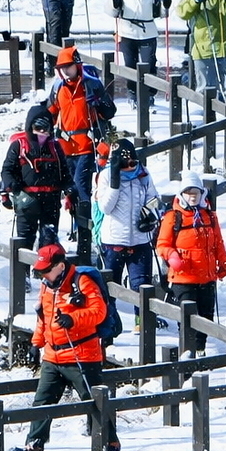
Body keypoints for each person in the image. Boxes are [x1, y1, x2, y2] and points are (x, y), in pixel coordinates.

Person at [9, 243, 120, 451]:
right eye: (40, 271)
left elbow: (99, 312)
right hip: (53, 355)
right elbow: (43, 318)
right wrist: (36, 343)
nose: (42, 275)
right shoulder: (46, 286)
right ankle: (34, 449)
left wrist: (73, 319)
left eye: (46, 270)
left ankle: (109, 444)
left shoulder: (82, 281)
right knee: (42, 402)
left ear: (60, 266)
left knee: (93, 401)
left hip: (82, 354)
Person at [47, 46, 116, 264]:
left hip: (87, 146)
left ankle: (86, 239)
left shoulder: (91, 85)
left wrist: (98, 101)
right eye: (62, 68)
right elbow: (50, 113)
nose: (65, 71)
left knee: (81, 188)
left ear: (77, 65)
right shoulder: (58, 87)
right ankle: (77, 228)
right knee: (70, 192)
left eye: (68, 66)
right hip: (64, 148)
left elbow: (110, 111)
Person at [155, 170, 226, 355]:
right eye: (188, 193)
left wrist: (223, 262)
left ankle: (200, 351)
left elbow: (218, 242)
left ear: (202, 193)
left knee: (206, 317)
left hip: (207, 276)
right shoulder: (173, 217)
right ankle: (187, 353)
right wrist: (172, 256)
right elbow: (162, 244)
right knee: (187, 317)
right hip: (183, 277)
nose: (192, 196)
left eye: (195, 192)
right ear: (182, 194)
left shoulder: (210, 216)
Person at [94, 138, 160, 330]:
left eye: (134, 162)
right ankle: (110, 323)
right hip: (114, 240)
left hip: (140, 239)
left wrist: (150, 215)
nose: (131, 167)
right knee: (110, 284)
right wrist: (115, 183)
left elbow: (154, 198)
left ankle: (142, 323)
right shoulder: (106, 176)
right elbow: (105, 207)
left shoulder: (143, 174)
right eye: (126, 164)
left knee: (142, 284)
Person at [0, 104, 69, 252]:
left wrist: (70, 188)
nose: (42, 132)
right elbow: (7, 170)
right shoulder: (19, 146)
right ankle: (23, 267)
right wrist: (11, 184)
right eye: (38, 127)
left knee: (49, 242)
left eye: (46, 128)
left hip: (50, 201)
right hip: (27, 201)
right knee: (24, 242)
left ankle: (44, 266)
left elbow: (64, 172)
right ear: (30, 127)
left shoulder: (55, 147)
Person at [108, 0, 170, 106]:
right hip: (126, 29)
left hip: (148, 30)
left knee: (149, 63)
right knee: (130, 65)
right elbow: (111, 7)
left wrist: (166, 5)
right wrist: (114, 4)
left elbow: (163, 12)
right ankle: (132, 94)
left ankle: (149, 95)